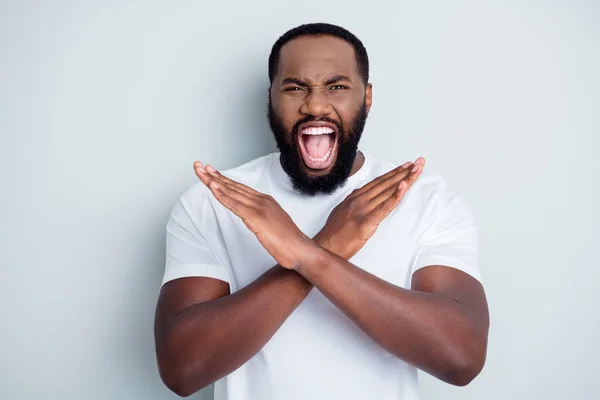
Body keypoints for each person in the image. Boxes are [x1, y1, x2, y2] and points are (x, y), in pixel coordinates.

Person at [154, 23, 489, 400]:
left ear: (367, 97)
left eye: (337, 86)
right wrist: (326, 247)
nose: (314, 105)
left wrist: (308, 254)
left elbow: (461, 358)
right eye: (295, 87)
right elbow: (183, 370)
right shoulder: (214, 201)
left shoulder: (425, 200)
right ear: (271, 99)